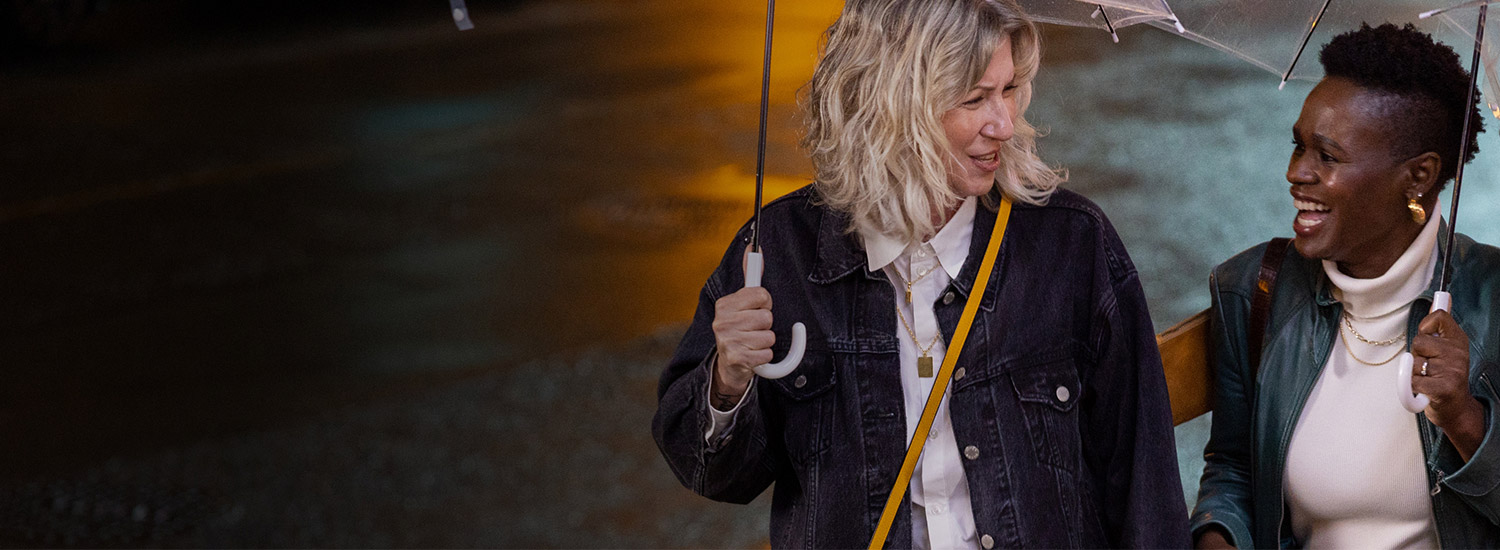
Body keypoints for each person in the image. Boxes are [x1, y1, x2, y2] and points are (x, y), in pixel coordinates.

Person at [652, 0, 1189, 547]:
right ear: (893, 109)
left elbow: (1145, 493)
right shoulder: (780, 252)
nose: (1004, 124)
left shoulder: (1073, 244)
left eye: (1008, 90)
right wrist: (727, 380)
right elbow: (712, 475)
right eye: (975, 99)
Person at [1191, 23, 1500, 549]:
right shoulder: (1252, 291)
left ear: (1419, 176)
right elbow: (1234, 469)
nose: (1296, 173)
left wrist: (1465, 420)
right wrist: (1218, 536)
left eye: (1327, 157)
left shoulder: (1492, 300)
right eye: (1298, 146)